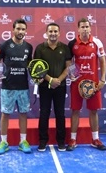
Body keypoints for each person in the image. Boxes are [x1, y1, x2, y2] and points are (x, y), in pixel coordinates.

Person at [67, 18, 106, 151]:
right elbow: (69, 62)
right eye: (82, 27)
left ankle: (95, 139)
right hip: (77, 83)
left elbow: (102, 61)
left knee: (93, 111)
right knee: (75, 111)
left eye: (87, 27)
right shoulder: (72, 43)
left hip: (93, 84)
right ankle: (73, 139)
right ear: (78, 29)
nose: (85, 29)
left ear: (90, 28)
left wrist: (102, 80)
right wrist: (72, 74)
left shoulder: (97, 42)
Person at [0, 19, 33, 155]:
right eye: (18, 29)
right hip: (7, 87)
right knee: (5, 114)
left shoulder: (29, 47)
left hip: (23, 87)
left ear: (25, 31)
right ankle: (3, 142)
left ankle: (23, 141)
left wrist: (35, 76)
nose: (20, 32)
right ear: (13, 29)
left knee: (23, 114)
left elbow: (29, 65)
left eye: (23, 29)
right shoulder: (4, 45)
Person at [34, 23, 72, 152]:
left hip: (60, 87)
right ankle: (42, 141)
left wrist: (59, 80)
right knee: (44, 113)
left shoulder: (65, 48)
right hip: (45, 86)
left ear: (59, 33)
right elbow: (37, 68)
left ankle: (61, 142)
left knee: (60, 113)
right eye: (50, 31)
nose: (53, 33)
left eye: (55, 31)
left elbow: (69, 67)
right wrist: (50, 80)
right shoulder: (40, 48)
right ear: (46, 33)